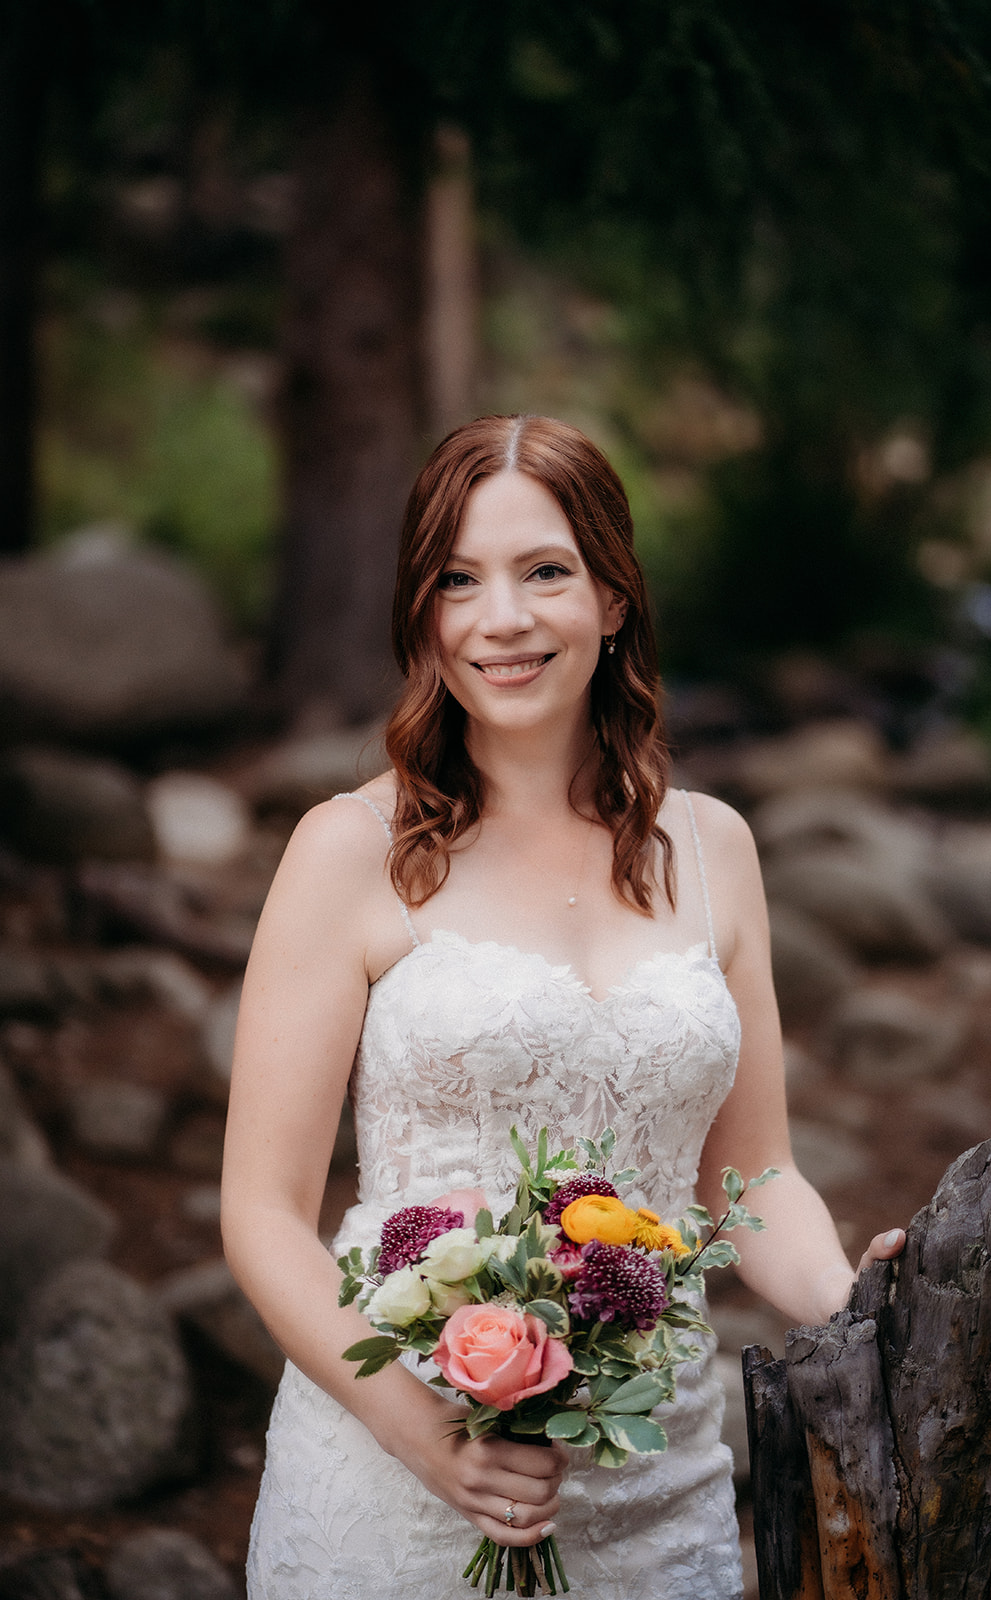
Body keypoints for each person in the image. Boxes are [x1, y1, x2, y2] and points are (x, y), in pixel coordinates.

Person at [221, 413, 905, 1600]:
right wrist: (434, 1447)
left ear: (612, 596)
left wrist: (861, 1310)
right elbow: (264, 1216)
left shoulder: (713, 847)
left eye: (545, 571)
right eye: (458, 579)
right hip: (401, 1487)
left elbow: (755, 1182)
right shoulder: (347, 850)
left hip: (657, 1482)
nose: (502, 619)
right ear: (421, 611)